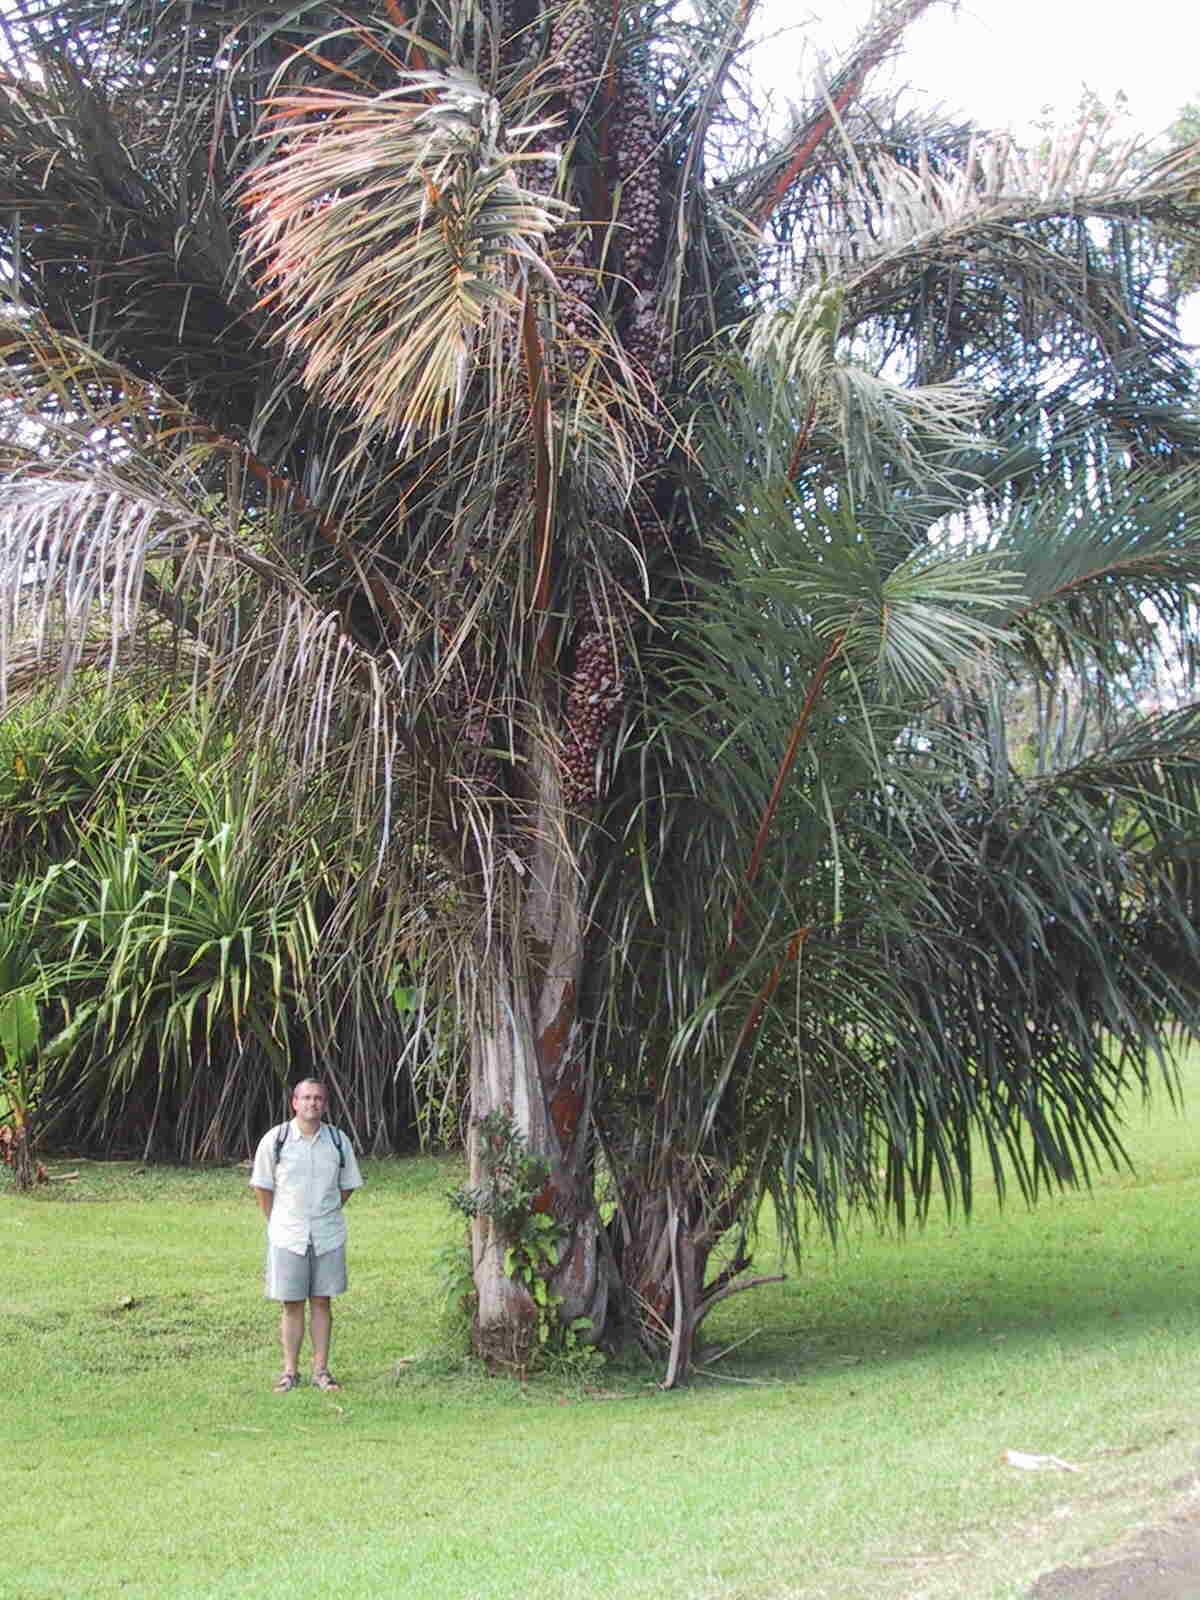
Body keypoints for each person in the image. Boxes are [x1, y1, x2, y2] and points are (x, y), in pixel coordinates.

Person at [250, 1078, 364, 1392]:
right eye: (306, 1098)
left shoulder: (337, 1141)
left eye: (318, 1099)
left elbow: (348, 1184)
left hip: (328, 1233)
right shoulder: (277, 1140)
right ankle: (289, 1371)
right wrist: (275, 1220)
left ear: (324, 1104)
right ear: (295, 1103)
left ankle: (321, 1371)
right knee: (291, 1303)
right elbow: (262, 1185)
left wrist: (326, 1211)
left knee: (322, 1301)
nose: (312, 1103)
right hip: (287, 1234)